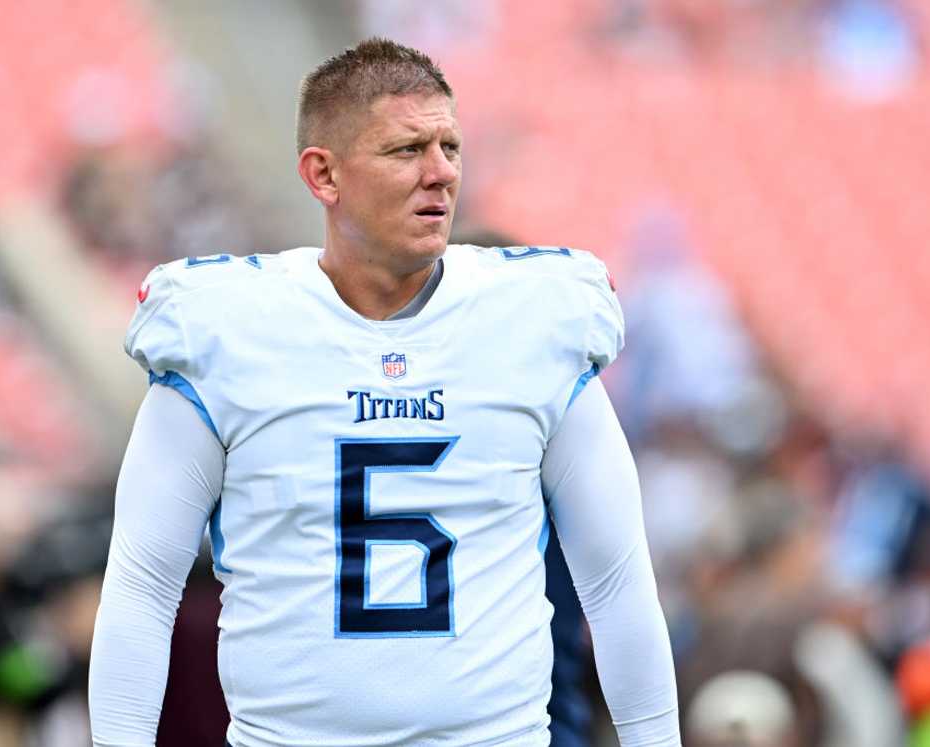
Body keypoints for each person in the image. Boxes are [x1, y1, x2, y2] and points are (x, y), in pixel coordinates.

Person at [89, 38, 681, 747]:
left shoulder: (532, 320)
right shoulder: (229, 329)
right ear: (324, 174)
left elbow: (615, 581)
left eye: (450, 147)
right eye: (406, 150)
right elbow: (143, 585)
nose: (441, 174)